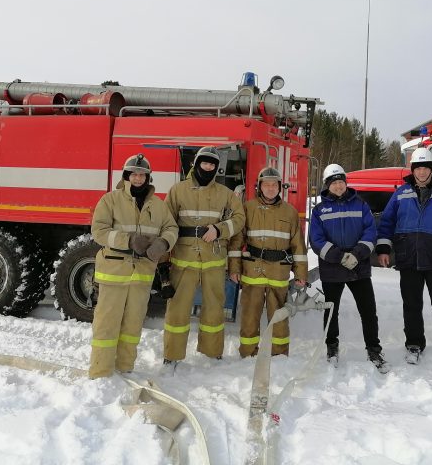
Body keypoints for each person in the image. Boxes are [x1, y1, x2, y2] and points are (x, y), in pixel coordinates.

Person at [88, 153, 179, 379]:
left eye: (142, 175)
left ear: (148, 178)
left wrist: (163, 242)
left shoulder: (158, 205)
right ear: (126, 176)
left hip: (142, 275)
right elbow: (98, 231)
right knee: (106, 326)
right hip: (114, 272)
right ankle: (100, 373)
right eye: (134, 174)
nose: (138, 178)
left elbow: (171, 228)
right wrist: (127, 240)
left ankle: (125, 369)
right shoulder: (110, 200)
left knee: (132, 325)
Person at [376, 147, 432, 366]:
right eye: (419, 168)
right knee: (412, 304)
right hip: (409, 257)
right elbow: (387, 222)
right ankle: (414, 345)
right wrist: (383, 249)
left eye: (426, 168)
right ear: (413, 170)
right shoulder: (401, 193)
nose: (422, 172)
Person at [162, 146, 245, 370]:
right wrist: (162, 262)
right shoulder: (177, 191)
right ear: (196, 163)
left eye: (212, 164)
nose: (208, 167)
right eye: (205, 162)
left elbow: (239, 218)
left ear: (216, 168)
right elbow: (165, 223)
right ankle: (172, 354)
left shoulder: (225, 193)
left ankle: (212, 351)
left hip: (213, 260)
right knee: (177, 309)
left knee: (214, 308)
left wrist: (219, 230)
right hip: (183, 259)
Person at [309, 163, 389, 374]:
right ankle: (332, 347)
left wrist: (357, 254)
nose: (338, 186)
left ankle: (374, 349)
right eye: (334, 182)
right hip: (332, 269)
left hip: (358, 267)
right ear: (327, 186)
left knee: (368, 311)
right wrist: (339, 256)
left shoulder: (360, 205)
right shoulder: (319, 211)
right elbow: (316, 240)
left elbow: (370, 232)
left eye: (341, 182)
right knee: (331, 311)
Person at [228, 167, 308, 357]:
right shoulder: (247, 208)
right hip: (252, 271)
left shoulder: (289, 212)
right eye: (267, 184)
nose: (270, 188)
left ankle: (279, 354)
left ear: (280, 187)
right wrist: (234, 267)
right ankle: (247, 352)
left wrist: (301, 274)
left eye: (274, 185)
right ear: (259, 187)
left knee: (279, 317)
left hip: (278, 272)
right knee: (249, 316)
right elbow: (237, 241)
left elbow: (298, 245)